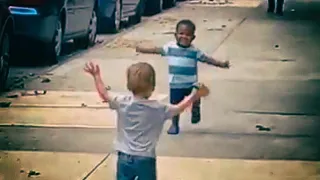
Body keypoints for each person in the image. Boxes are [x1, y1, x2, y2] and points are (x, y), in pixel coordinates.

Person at [84, 61, 209, 180]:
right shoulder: (159, 108)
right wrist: (195, 95)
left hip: (124, 156)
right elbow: (179, 108)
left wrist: (96, 76)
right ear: (152, 86)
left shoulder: (121, 102)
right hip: (146, 158)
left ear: (129, 84)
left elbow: (104, 94)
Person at [135, 19, 230, 135]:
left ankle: (195, 108)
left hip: (191, 83)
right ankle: (174, 125)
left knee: (196, 95)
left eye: (188, 35)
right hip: (176, 84)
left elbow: (207, 59)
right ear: (175, 35)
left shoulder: (194, 51)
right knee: (175, 107)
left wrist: (221, 64)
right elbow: (156, 50)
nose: (184, 37)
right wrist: (142, 49)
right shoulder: (170, 48)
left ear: (193, 37)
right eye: (181, 33)